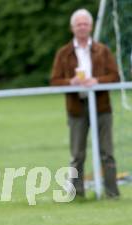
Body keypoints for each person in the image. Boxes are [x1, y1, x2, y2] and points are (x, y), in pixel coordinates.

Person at [51, 8, 120, 198]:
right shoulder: (64, 53)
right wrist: (70, 82)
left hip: (101, 107)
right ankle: (76, 194)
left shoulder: (103, 51)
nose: (82, 27)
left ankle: (112, 193)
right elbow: (54, 80)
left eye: (85, 24)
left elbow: (115, 76)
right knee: (77, 155)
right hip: (76, 108)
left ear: (90, 27)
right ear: (72, 27)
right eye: (78, 24)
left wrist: (97, 81)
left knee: (107, 152)